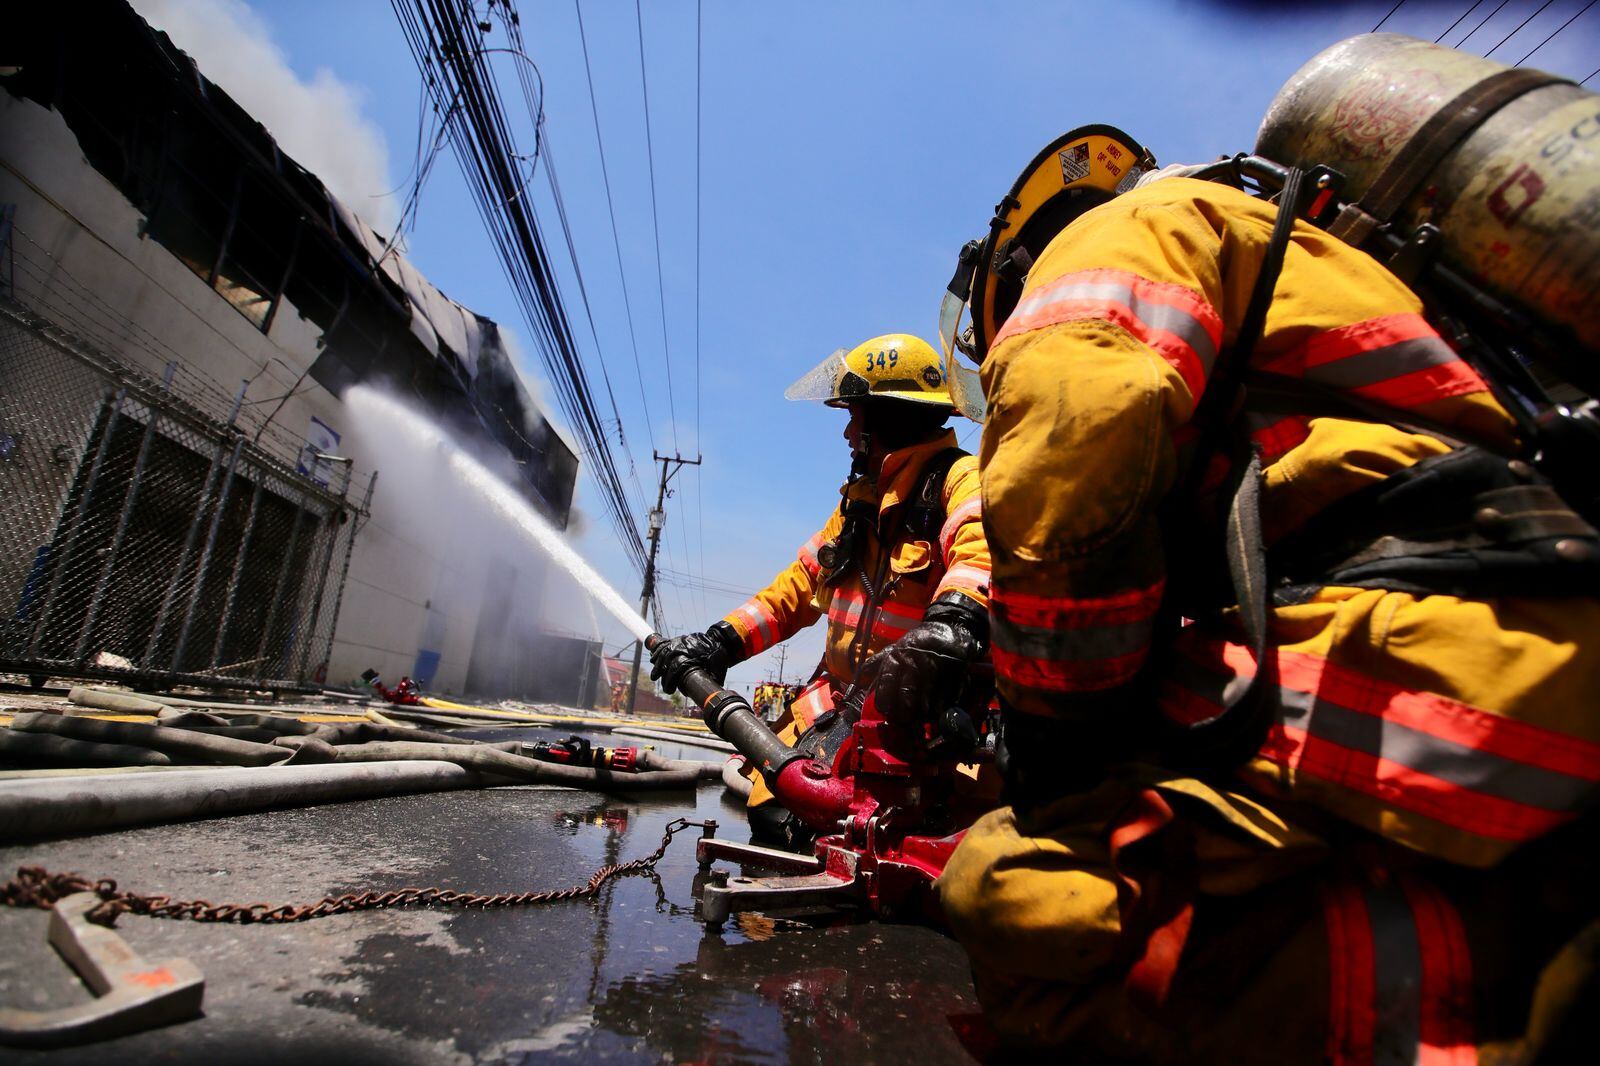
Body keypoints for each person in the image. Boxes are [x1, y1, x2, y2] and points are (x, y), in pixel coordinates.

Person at [927, 125, 1600, 1059]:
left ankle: (1465, 1015)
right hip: (1520, 666)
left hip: (1412, 685)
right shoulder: (1312, 264)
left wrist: (1055, 750)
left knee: (1016, 896)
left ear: (1018, 258)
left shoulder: (1133, 225)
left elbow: (1078, 430)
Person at [650, 333, 994, 844]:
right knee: (777, 816)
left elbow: (979, 550)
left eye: (855, 414)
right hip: (837, 709)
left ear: (890, 416)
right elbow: (796, 588)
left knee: (907, 844)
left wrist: (952, 627)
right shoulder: (858, 504)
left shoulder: (961, 480)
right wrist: (721, 640)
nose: (848, 431)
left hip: (919, 727)